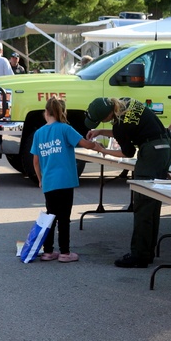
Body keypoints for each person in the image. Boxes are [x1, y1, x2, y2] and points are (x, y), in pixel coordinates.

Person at [85, 96, 171, 268]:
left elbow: (127, 153)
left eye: (100, 121)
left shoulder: (120, 125)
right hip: (164, 149)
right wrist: (101, 131)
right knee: (152, 205)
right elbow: (128, 130)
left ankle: (138, 256)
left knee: (142, 204)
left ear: (107, 116)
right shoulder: (127, 102)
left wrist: (103, 150)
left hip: (151, 154)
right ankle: (147, 253)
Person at [31, 96, 104, 263]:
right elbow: (84, 144)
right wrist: (97, 145)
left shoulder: (39, 133)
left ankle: (48, 251)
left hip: (49, 182)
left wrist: (40, 179)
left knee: (51, 216)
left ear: (46, 112)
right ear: (61, 112)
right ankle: (65, 252)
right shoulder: (65, 129)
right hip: (65, 181)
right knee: (64, 217)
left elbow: (35, 161)